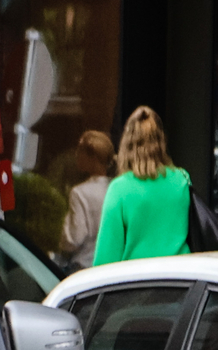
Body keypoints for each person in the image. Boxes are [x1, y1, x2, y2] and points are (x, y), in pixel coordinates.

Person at [93, 107, 194, 267]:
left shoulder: (119, 189)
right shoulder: (182, 179)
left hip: (137, 285)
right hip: (182, 281)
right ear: (162, 142)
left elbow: (105, 259)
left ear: (126, 144)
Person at [59, 130, 117, 269]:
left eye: (80, 151)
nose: (76, 155)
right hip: (112, 266)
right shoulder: (117, 189)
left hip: (84, 266)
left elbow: (73, 239)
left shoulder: (79, 193)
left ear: (92, 157)